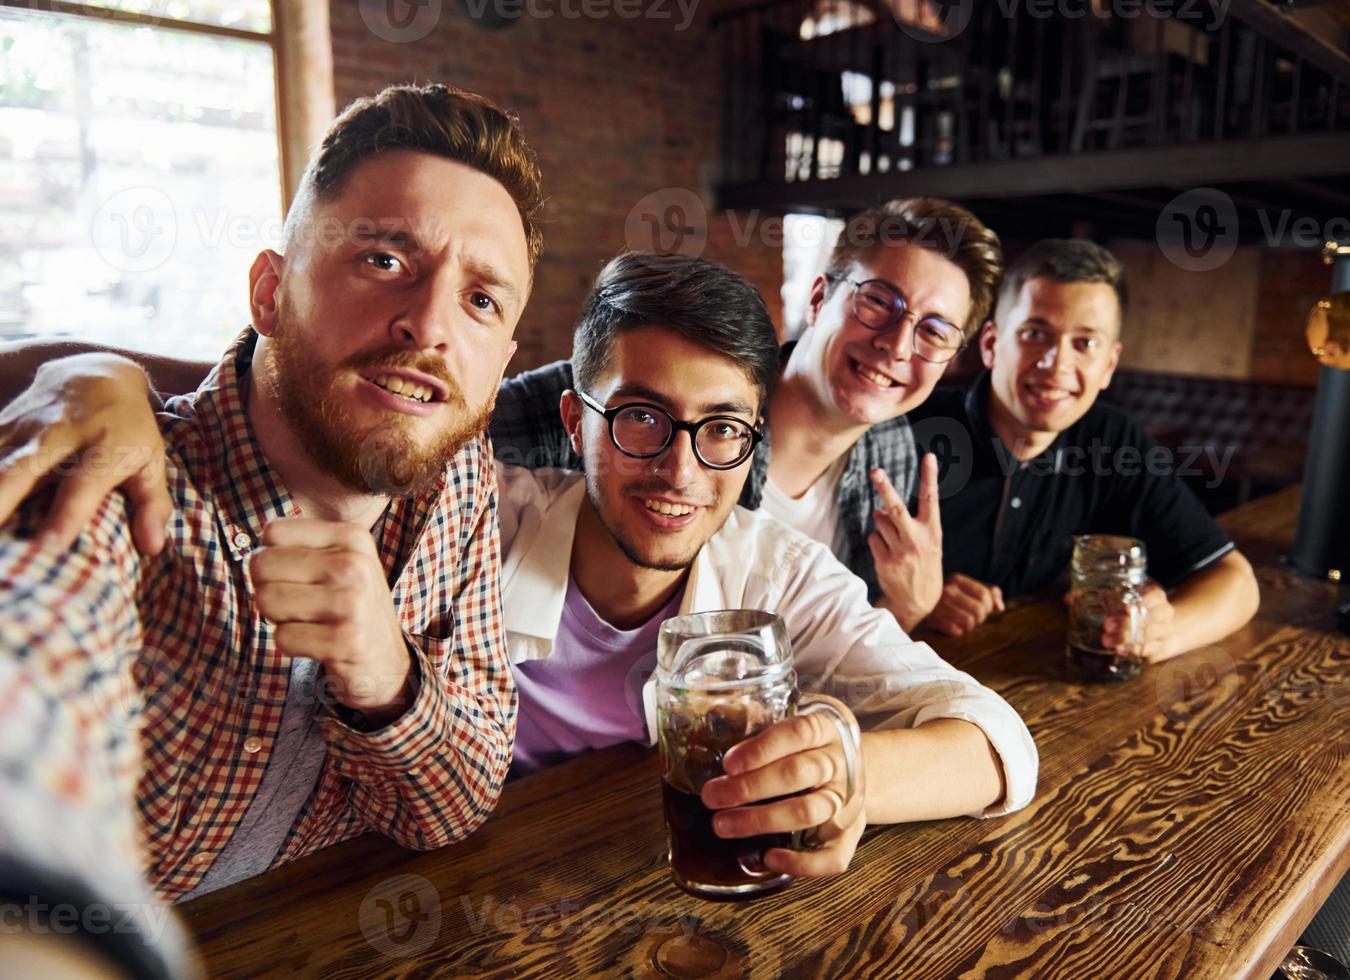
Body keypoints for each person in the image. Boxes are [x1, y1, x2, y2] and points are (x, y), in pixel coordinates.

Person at [0, 81, 543, 915]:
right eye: (385, 260)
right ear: (269, 295)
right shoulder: (115, 471)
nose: (431, 326)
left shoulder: (452, 473)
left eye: (480, 299)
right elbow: (29, 689)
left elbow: (457, 801)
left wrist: (388, 678)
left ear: (500, 367)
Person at [0, 199, 1004, 633]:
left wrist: (911, 618)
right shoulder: (622, 399)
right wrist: (101, 373)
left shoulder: (897, 454)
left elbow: (843, 653)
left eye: (934, 330)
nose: (898, 343)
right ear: (822, 294)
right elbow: (370, 410)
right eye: (879, 302)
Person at [495, 252, 1036, 875]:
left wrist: (847, 776)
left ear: (753, 440)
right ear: (574, 421)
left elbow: (1001, 744)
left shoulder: (778, 572)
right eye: (640, 418)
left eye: (722, 427)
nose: (680, 472)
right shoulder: (483, 524)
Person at [907, 240, 1260, 658]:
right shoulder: (911, 429)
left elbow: (1236, 581)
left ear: (1108, 365)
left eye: (1085, 343)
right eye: (1035, 334)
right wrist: (912, 603)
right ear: (991, 344)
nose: (1057, 365)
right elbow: (820, 578)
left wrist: (1154, 632)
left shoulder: (1113, 442)